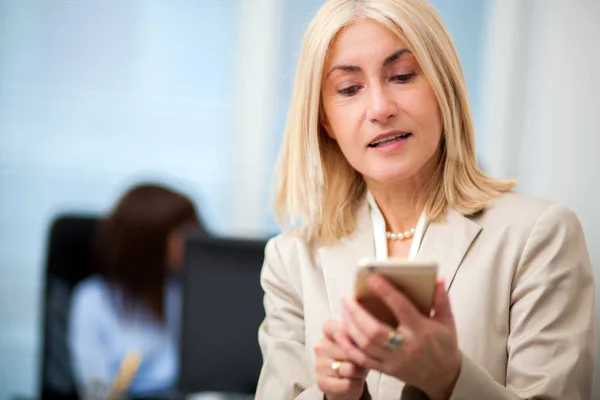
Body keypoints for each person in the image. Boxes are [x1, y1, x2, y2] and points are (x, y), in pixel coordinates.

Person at [255, 0, 596, 399]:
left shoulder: (540, 235)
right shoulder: (292, 259)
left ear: (443, 87)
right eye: (349, 89)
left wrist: (449, 379)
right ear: (325, 120)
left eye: (402, 76)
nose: (380, 108)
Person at [68, 183, 204, 397]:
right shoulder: (94, 300)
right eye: (180, 234)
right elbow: (97, 391)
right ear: (147, 240)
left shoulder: (186, 293)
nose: (192, 241)